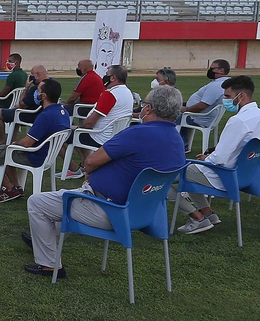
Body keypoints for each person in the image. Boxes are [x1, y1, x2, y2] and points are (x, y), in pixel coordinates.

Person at [22, 85, 187, 279]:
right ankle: (45, 239)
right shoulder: (177, 140)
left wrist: (91, 174)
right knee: (66, 200)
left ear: (148, 108)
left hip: (109, 210)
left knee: (38, 202)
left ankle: (50, 266)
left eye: (143, 105)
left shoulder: (137, 133)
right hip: (145, 213)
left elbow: (91, 161)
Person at [177, 75, 260, 233]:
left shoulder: (239, 121)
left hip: (226, 176)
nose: (225, 100)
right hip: (249, 175)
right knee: (192, 170)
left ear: (241, 96)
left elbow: (220, 159)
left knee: (172, 173)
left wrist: (206, 158)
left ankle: (197, 217)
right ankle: (208, 213)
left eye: (228, 96)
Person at [0, 77, 69, 203]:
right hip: (47, 155)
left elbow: (26, 143)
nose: (36, 92)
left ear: (44, 96)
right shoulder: (62, 111)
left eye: (38, 90)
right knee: (6, 151)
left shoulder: (46, 116)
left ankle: (9, 189)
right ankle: (16, 187)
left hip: (34, 155)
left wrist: (15, 143)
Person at [60, 65, 134, 179]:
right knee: (75, 132)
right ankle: (86, 162)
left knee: (62, 133)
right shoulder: (128, 92)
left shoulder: (110, 94)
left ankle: (75, 168)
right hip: (116, 136)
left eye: (107, 75)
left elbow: (90, 123)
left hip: (99, 136)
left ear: (113, 78)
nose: (104, 77)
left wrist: (79, 128)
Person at [181, 59, 232, 148]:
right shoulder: (225, 82)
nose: (210, 71)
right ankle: (184, 142)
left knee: (172, 115)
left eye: (212, 68)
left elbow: (202, 106)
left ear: (221, 70)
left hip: (200, 117)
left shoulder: (216, 86)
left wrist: (186, 109)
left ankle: (180, 144)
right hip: (206, 116)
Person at [0, 64, 47, 142]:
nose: (30, 76)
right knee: (15, 112)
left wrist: (26, 88)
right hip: (41, 114)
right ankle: (12, 140)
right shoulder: (54, 85)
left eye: (32, 74)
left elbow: (22, 104)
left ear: (38, 75)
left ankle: (2, 141)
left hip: (31, 115)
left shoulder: (36, 89)